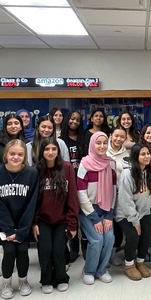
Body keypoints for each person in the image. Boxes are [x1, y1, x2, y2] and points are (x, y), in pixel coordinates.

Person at [0, 139, 39, 299]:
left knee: (22, 250)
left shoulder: (32, 173)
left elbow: (32, 203)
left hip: (23, 224)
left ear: (25, 156)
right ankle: (6, 283)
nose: (16, 157)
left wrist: (22, 230)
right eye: (12, 153)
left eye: (20, 154)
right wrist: (8, 230)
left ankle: (23, 281)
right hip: (3, 226)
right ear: (6, 154)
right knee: (9, 251)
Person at [33, 137, 79, 293]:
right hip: (43, 220)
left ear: (58, 152)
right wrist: (34, 223)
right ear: (42, 151)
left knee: (59, 250)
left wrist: (72, 223)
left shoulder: (67, 168)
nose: (50, 152)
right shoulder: (36, 170)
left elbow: (72, 196)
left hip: (62, 219)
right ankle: (46, 279)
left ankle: (61, 278)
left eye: (54, 149)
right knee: (45, 250)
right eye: (47, 149)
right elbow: (34, 200)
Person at [76, 132, 117, 285]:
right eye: (98, 143)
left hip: (106, 209)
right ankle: (89, 271)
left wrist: (108, 216)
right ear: (92, 144)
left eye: (104, 143)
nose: (101, 146)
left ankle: (101, 270)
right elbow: (81, 193)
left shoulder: (110, 163)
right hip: (88, 211)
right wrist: (94, 217)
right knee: (97, 239)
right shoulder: (85, 163)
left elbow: (113, 190)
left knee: (110, 237)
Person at [116, 144, 151, 281]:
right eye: (143, 154)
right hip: (125, 213)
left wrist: (144, 214)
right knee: (133, 236)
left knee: (146, 236)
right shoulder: (127, 174)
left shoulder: (150, 170)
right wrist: (135, 220)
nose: (147, 156)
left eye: (148, 153)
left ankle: (140, 261)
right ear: (135, 157)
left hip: (143, 211)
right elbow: (125, 200)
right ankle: (129, 265)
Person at [59, 110, 88, 262]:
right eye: (72, 119)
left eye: (77, 120)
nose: (74, 122)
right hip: (67, 182)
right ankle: (74, 247)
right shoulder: (60, 140)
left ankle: (85, 246)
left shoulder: (84, 137)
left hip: (83, 181)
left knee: (83, 215)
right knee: (71, 215)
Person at [106, 126, 130, 267]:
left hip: (121, 195)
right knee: (107, 226)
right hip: (106, 195)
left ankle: (113, 254)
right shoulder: (103, 152)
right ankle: (106, 255)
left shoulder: (127, 155)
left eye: (122, 137)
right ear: (111, 136)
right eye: (116, 136)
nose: (118, 139)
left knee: (119, 226)